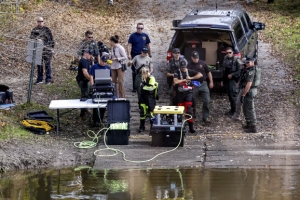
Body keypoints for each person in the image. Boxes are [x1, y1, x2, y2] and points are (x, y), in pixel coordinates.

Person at [173, 60, 202, 133]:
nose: (183, 68)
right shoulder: (177, 72)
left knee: (189, 109)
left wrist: (191, 78)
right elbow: (175, 81)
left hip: (188, 92)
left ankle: (191, 127)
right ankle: (179, 126)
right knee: (179, 110)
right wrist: (184, 80)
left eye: (184, 67)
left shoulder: (190, 71)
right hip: (179, 93)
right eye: (182, 67)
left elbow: (200, 74)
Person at [187, 51, 214, 123]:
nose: (196, 59)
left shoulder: (203, 63)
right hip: (194, 84)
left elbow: (209, 72)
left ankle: (205, 117)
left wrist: (211, 82)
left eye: (197, 58)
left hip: (203, 83)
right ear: (191, 57)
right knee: (193, 100)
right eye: (194, 58)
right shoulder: (189, 65)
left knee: (206, 100)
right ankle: (193, 115)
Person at [127, 22, 152, 92]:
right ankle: (135, 87)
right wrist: (129, 54)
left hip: (144, 54)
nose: (140, 29)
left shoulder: (145, 36)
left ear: (143, 28)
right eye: (138, 28)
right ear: (136, 28)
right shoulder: (133, 36)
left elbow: (148, 45)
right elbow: (129, 45)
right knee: (135, 71)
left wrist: (150, 54)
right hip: (135, 54)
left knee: (145, 70)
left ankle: (144, 84)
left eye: (141, 28)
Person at [30, 17, 55, 85]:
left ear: (43, 22)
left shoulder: (47, 30)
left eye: (41, 21)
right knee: (39, 65)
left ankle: (48, 79)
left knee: (47, 65)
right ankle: (39, 79)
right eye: (39, 21)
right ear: (37, 22)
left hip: (47, 50)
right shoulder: (34, 30)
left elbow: (51, 40)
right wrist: (36, 41)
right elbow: (31, 39)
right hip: (38, 50)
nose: (40, 22)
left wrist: (50, 47)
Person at [89, 55, 112, 125]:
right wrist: (92, 85)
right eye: (103, 61)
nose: (104, 63)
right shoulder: (94, 67)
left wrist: (110, 83)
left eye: (105, 62)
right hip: (97, 87)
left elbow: (110, 77)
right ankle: (95, 120)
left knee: (104, 105)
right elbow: (91, 76)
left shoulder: (108, 68)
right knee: (96, 105)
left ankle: (101, 119)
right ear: (100, 60)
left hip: (105, 87)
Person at [221, 47, 241, 116]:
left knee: (233, 96)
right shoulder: (225, 59)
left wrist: (232, 74)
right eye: (227, 53)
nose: (228, 54)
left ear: (232, 52)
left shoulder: (236, 60)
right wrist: (222, 80)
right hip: (227, 79)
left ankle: (235, 112)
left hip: (233, 79)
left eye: (230, 52)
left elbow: (240, 70)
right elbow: (223, 70)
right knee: (229, 95)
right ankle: (232, 110)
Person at [240, 57, 258, 133]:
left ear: (252, 62)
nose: (246, 64)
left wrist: (243, 94)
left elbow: (249, 84)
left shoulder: (252, 71)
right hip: (249, 90)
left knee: (250, 108)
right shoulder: (249, 70)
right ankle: (248, 123)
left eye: (247, 63)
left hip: (250, 90)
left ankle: (253, 126)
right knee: (245, 108)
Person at [138, 67, 158, 133]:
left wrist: (143, 86)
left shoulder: (151, 78)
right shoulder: (143, 78)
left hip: (150, 98)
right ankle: (141, 126)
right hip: (143, 97)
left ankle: (153, 127)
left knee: (151, 113)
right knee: (142, 113)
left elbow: (150, 88)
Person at [76, 49, 93, 118]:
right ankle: (83, 113)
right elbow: (85, 72)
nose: (91, 55)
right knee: (84, 95)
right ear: (85, 53)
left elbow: (92, 68)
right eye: (90, 54)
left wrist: (92, 61)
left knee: (88, 94)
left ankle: (85, 110)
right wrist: (91, 79)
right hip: (82, 80)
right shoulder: (83, 61)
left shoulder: (87, 61)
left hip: (86, 80)